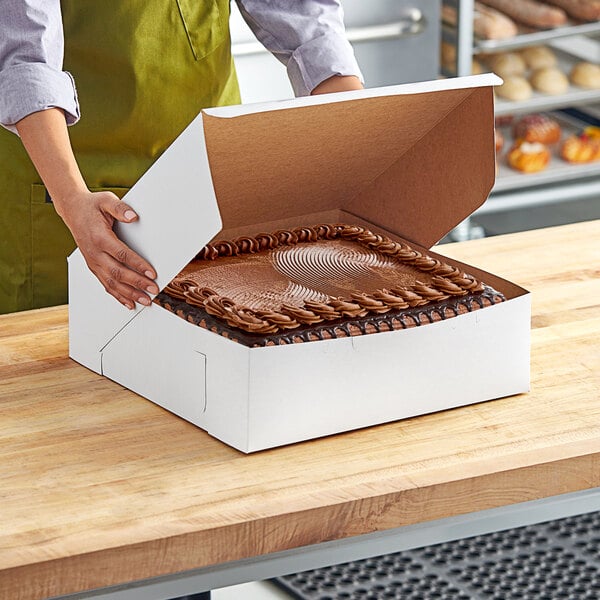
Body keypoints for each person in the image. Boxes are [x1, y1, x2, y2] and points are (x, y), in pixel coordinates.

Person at [0, 0, 363, 315]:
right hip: (66, 182)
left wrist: (357, 140)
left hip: (210, 166)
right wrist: (72, 199)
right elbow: (25, 61)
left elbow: (304, 21)